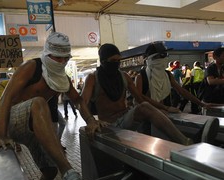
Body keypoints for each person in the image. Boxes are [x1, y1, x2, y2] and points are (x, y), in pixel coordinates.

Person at [0, 32, 106, 180]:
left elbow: (78, 100)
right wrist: (1, 134)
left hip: (32, 124)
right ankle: (68, 172)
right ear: (47, 54)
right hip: (10, 120)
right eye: (57, 57)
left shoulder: (62, 77)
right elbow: (5, 98)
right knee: (39, 103)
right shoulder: (31, 67)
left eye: (65, 58)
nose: (61, 61)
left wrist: (90, 119)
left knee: (49, 172)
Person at [82, 43, 219, 145]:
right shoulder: (93, 78)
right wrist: (91, 120)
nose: (117, 64)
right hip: (109, 123)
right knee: (145, 107)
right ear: (103, 61)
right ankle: (186, 141)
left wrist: (200, 104)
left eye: (119, 61)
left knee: (145, 106)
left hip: (125, 117)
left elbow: (140, 98)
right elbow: (82, 102)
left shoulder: (124, 76)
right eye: (113, 61)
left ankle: (186, 141)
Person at [135, 42, 211, 111]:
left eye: (165, 56)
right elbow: (139, 98)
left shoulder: (167, 75)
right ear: (151, 59)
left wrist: (201, 104)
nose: (163, 59)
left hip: (167, 115)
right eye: (160, 56)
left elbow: (182, 91)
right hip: (148, 117)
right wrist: (165, 108)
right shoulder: (141, 77)